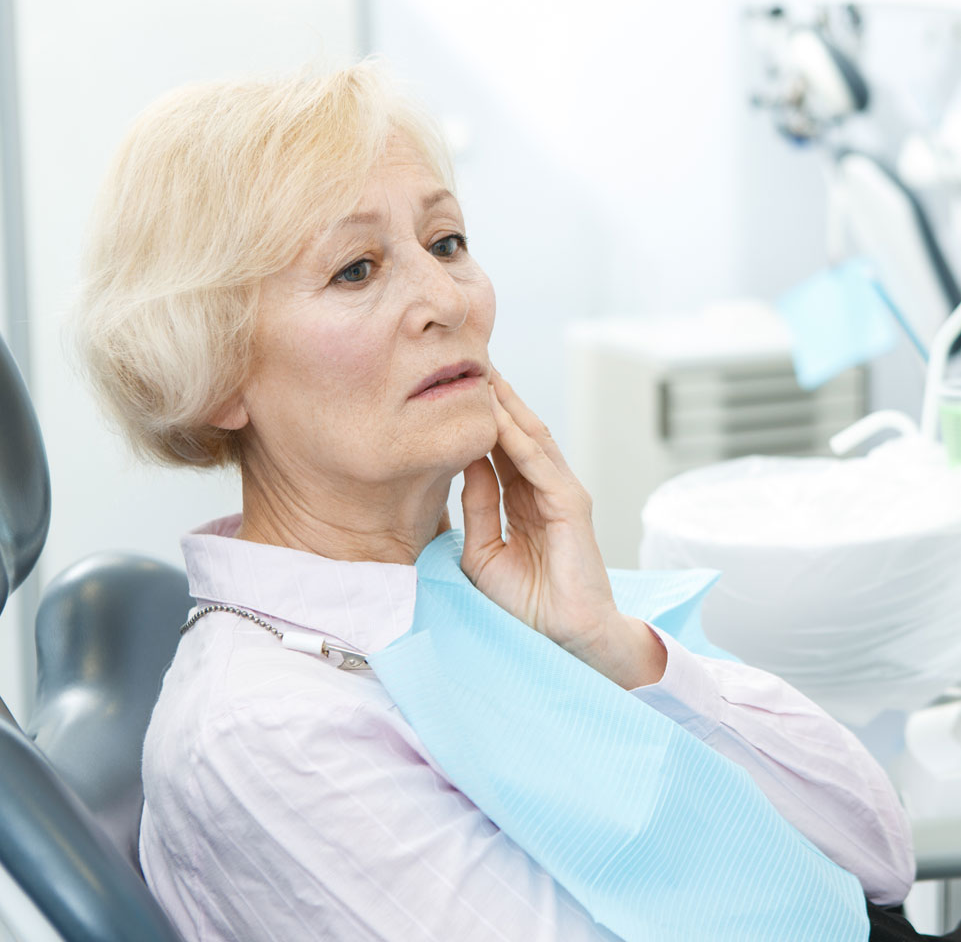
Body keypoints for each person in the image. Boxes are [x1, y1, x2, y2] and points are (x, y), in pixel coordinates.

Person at [75, 62, 946, 941]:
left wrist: (611, 651)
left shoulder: (470, 603)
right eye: (356, 268)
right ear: (217, 369)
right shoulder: (267, 736)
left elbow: (874, 855)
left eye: (446, 243)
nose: (445, 300)